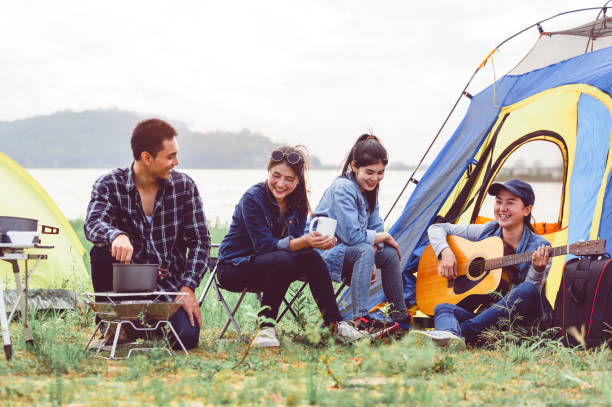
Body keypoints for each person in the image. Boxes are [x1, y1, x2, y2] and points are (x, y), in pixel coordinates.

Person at [217, 146, 365, 347]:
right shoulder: (253, 198)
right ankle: (265, 328)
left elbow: (296, 246)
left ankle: (335, 324)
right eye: (276, 175)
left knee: (312, 258)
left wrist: (321, 243)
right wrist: (305, 241)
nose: (280, 183)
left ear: (298, 180)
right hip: (234, 268)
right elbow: (264, 247)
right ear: (268, 172)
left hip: (275, 267)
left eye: (289, 179)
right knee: (284, 258)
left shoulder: (298, 202)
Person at [85, 118, 210, 350]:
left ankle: (143, 327)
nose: (176, 162)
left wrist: (188, 288)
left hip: (169, 288)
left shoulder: (185, 187)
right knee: (100, 250)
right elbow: (93, 223)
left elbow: (201, 240)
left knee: (186, 339)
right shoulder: (109, 184)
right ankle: (112, 324)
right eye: (170, 156)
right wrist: (116, 235)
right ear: (146, 158)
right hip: (127, 289)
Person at [409, 179, 551, 350]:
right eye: (498, 201)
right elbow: (437, 228)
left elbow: (529, 298)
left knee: (527, 289)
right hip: (487, 317)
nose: (502, 208)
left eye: (510, 202)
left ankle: (460, 333)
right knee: (443, 308)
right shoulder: (487, 231)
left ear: (527, 210)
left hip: (519, 320)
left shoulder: (540, 247)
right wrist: (445, 252)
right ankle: (453, 336)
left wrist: (537, 270)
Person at [312, 134, 411, 334]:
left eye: (381, 172)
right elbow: (352, 235)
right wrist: (379, 240)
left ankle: (401, 319)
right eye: (370, 172)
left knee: (390, 254)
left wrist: (374, 251)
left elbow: (377, 228)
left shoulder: (369, 190)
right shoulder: (343, 187)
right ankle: (360, 320)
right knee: (367, 249)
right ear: (354, 166)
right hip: (325, 252)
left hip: (356, 252)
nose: (375, 178)